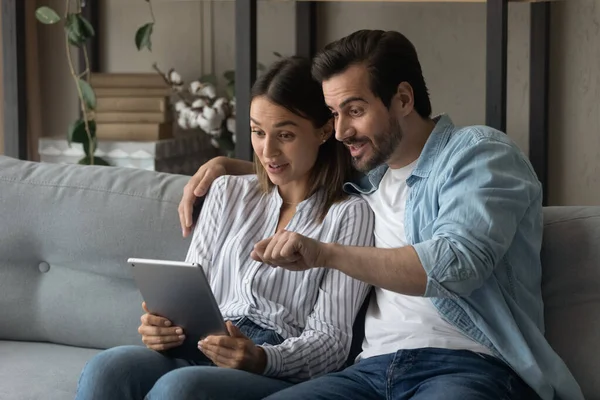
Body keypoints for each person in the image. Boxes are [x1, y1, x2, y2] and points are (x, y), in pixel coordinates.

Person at [178, 30, 584, 400]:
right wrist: (228, 165)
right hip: (368, 372)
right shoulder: (368, 176)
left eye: (354, 110)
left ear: (403, 99)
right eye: (334, 114)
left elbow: (455, 265)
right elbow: (300, 166)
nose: (340, 132)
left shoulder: (480, 153)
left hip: (471, 367)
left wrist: (324, 253)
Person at [75, 56, 375, 400]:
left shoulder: (350, 215)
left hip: (271, 363)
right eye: (257, 132)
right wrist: (161, 328)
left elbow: (332, 341)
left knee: (180, 388)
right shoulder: (227, 190)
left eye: (286, 135)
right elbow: (191, 286)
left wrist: (262, 358)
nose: (267, 150)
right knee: (108, 368)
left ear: (324, 131)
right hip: (199, 342)